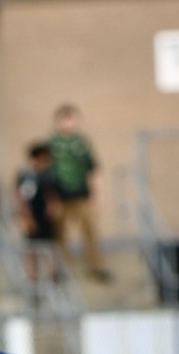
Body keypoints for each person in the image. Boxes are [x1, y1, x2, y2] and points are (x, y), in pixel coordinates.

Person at [48, 104, 111, 282]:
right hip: (60, 196)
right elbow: (47, 174)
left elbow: (92, 170)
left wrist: (97, 194)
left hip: (82, 195)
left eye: (71, 119)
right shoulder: (51, 144)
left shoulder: (82, 143)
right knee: (60, 235)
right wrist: (52, 199)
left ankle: (95, 267)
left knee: (90, 231)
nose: (68, 124)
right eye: (64, 120)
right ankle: (63, 270)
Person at [15, 142, 61, 283]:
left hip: (45, 217)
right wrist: (27, 218)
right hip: (33, 216)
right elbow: (22, 198)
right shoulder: (27, 176)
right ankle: (32, 277)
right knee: (31, 248)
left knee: (49, 246)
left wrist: (53, 207)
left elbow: (52, 194)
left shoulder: (48, 175)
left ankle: (53, 275)